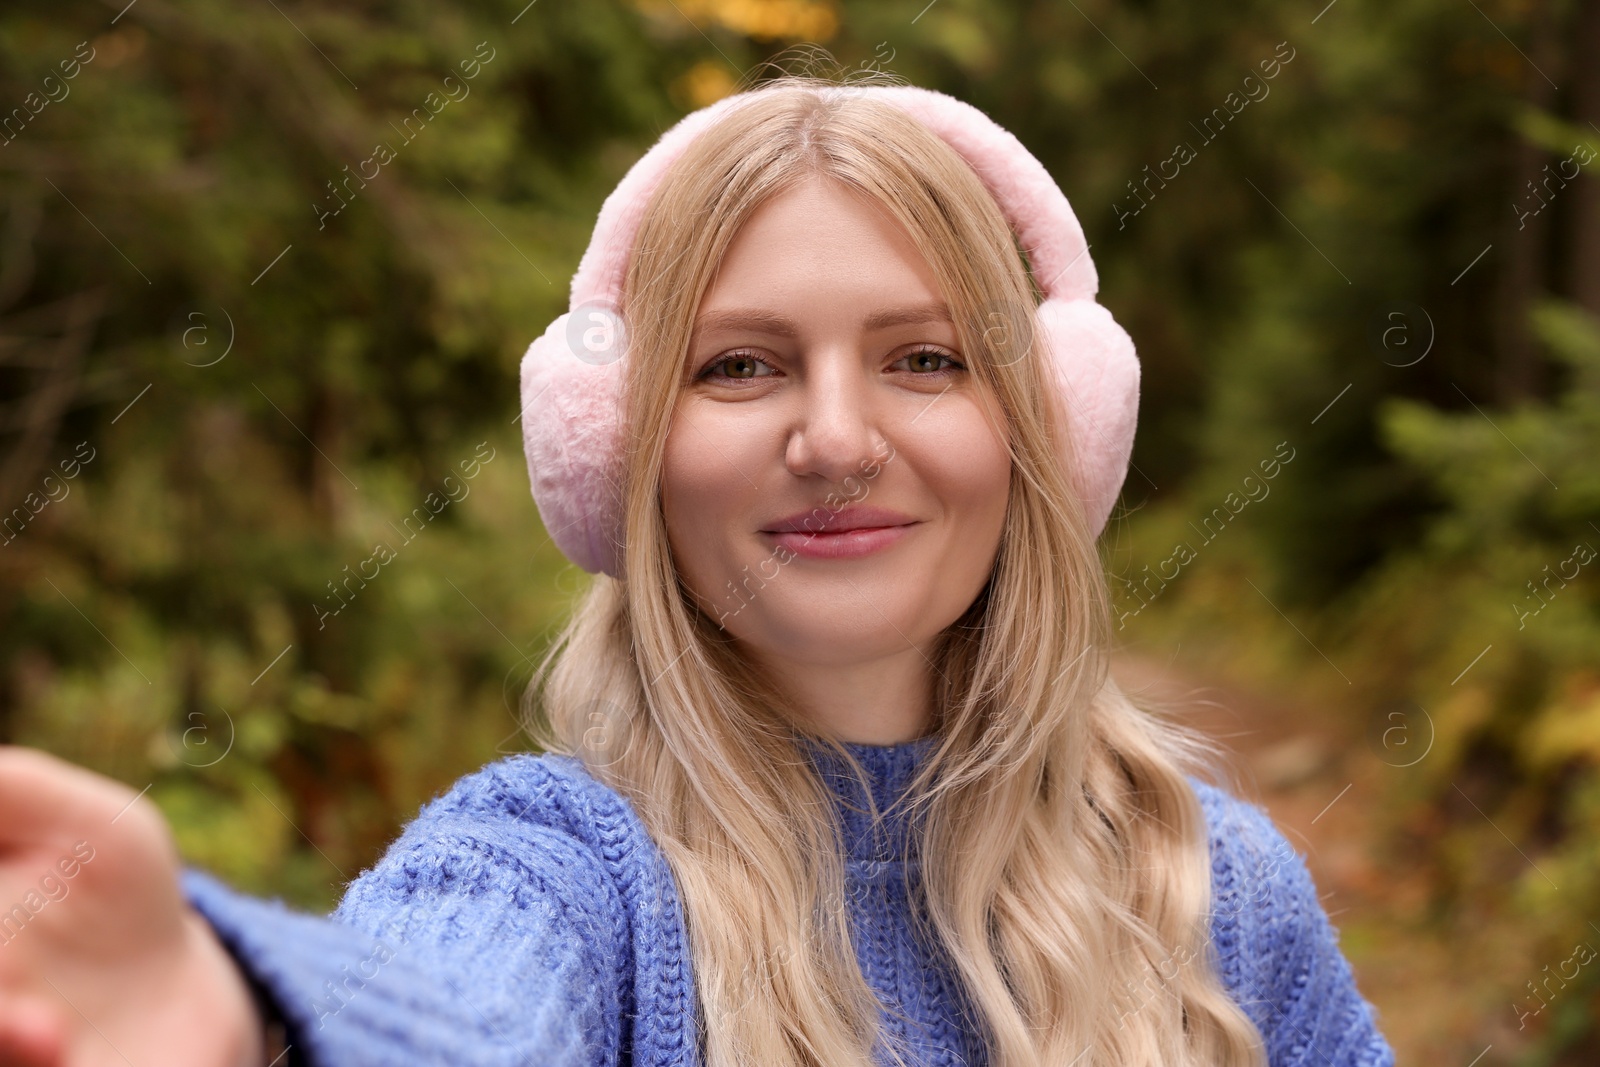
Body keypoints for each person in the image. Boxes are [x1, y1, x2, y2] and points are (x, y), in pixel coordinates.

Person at [0, 72, 1396, 1067]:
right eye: (740, 366)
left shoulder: (1212, 887)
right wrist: (242, 1011)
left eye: (924, 359)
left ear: (1044, 426)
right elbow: (453, 1005)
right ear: (620, 453)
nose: (838, 439)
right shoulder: (566, 870)